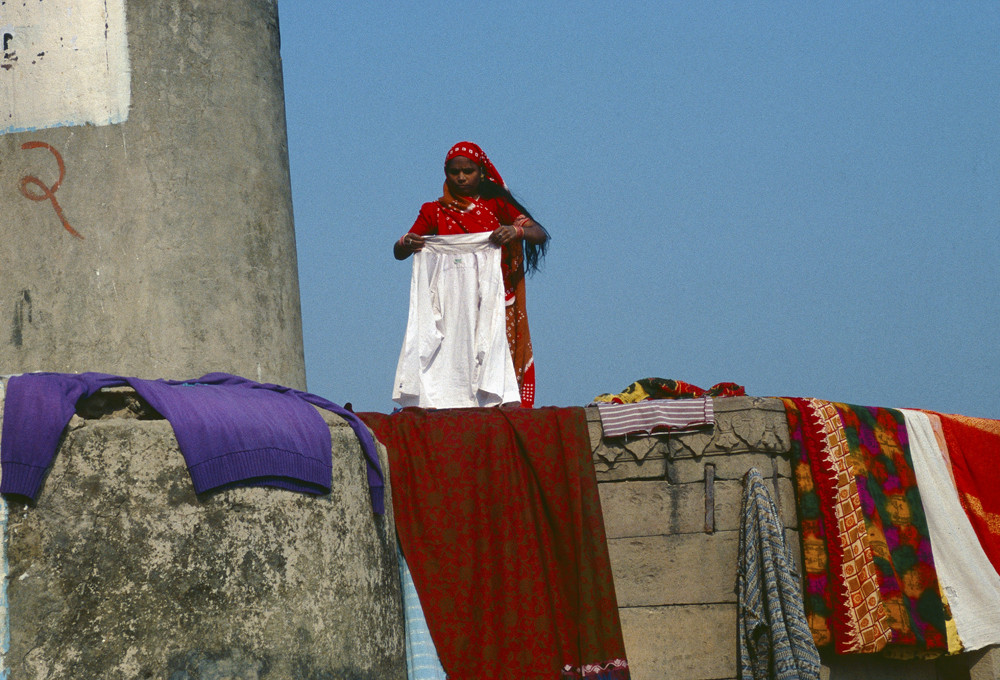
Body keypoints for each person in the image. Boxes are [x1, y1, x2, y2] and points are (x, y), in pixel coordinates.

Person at [394, 142, 548, 408]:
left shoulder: (497, 205)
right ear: (446, 173)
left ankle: (498, 409)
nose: (462, 177)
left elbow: (538, 233)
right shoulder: (434, 210)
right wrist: (408, 242)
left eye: (468, 171)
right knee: (450, 352)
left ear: (482, 173)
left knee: (494, 353)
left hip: (494, 297)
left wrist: (516, 231)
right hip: (449, 301)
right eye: (455, 172)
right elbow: (400, 249)